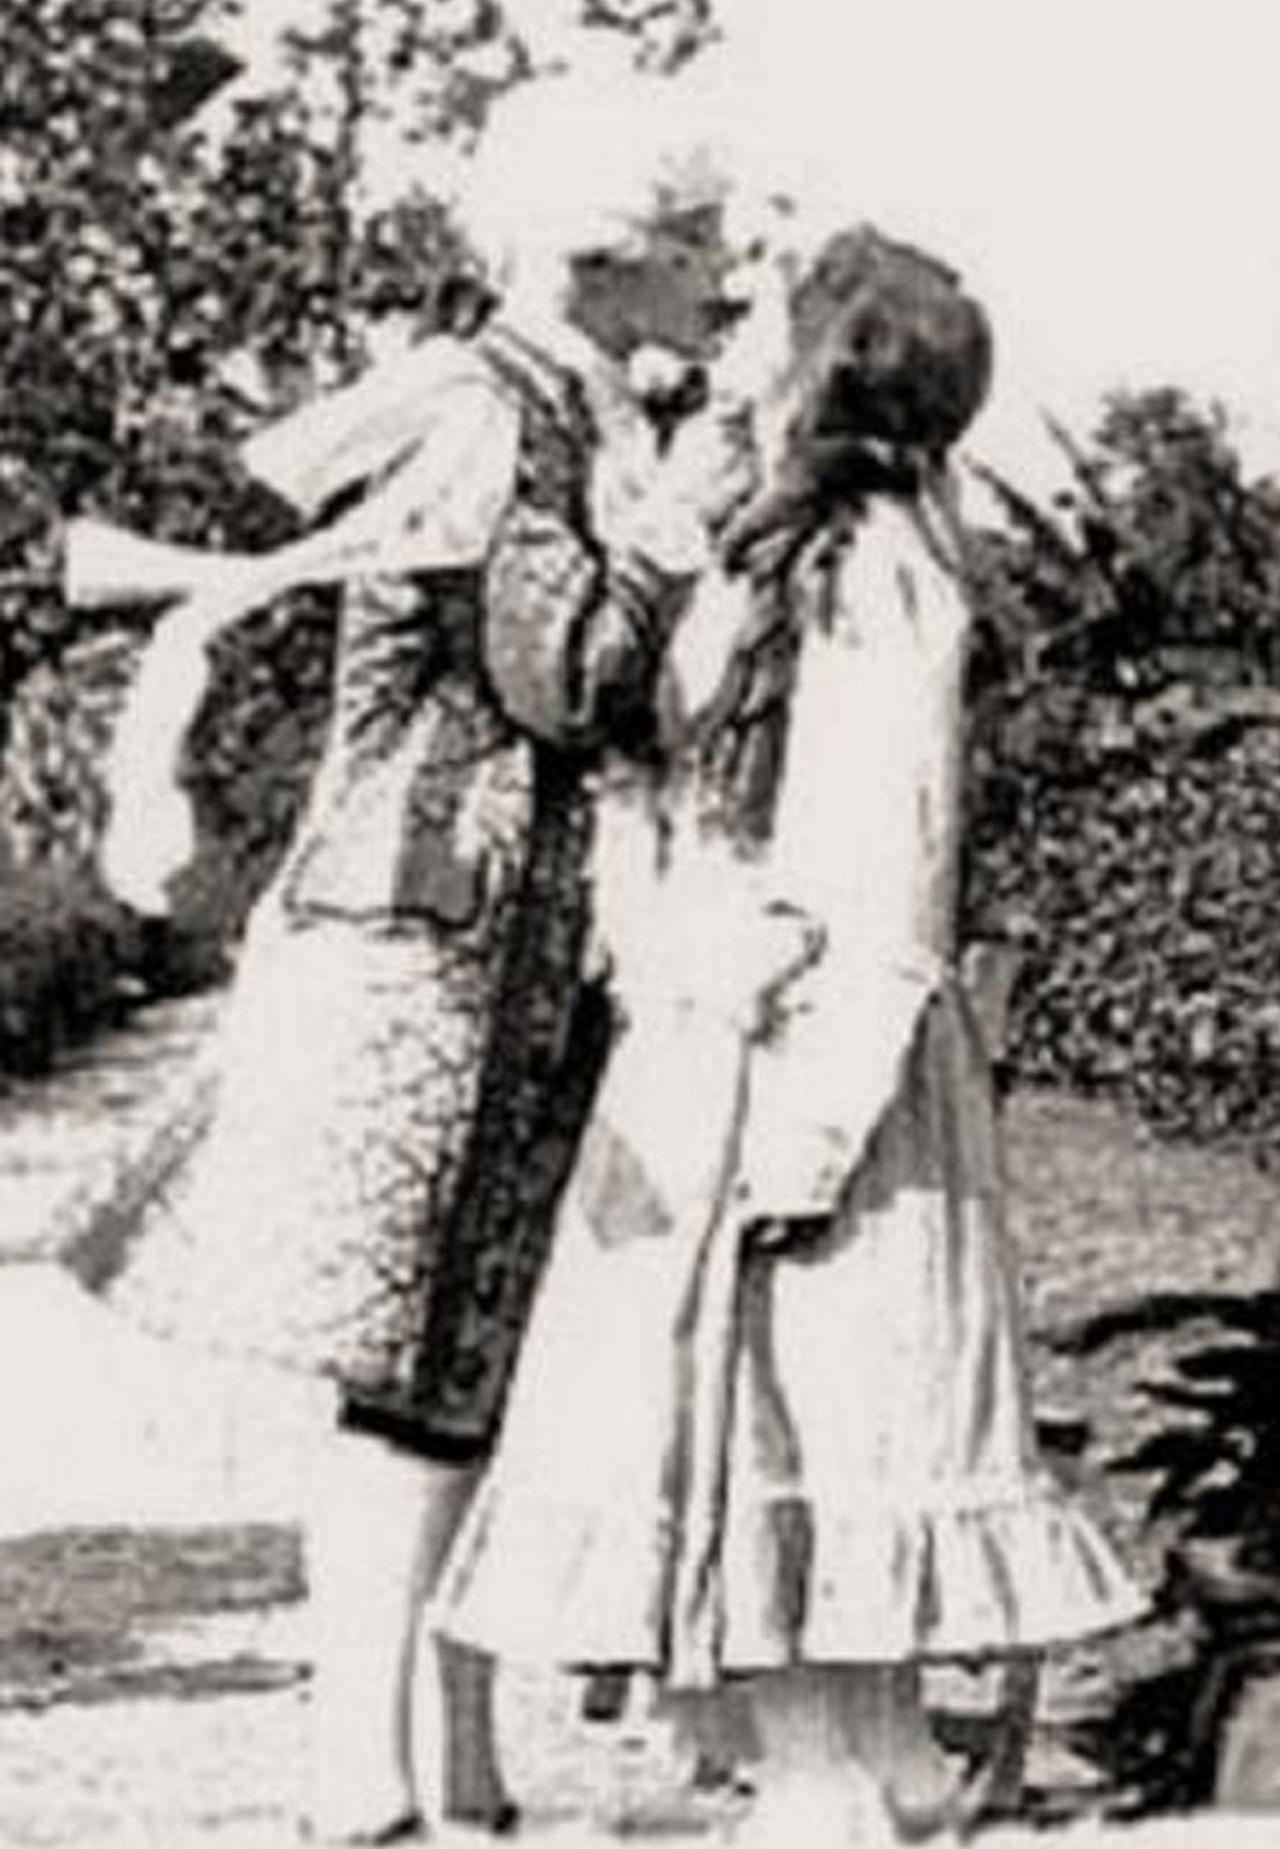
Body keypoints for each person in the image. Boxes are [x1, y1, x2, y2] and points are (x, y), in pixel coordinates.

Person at [61, 84, 758, 1846]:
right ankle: (358, 1774)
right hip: (436, 935)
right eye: (695, 241)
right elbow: (563, 680)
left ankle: (442, 1758)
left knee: (467, 1350)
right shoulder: (495, 410)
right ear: (608, 256)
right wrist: (681, 522)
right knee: (421, 1352)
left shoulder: (549, 400)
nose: (723, 273)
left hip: (484, 929)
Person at [433, 223, 1147, 1844]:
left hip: (824, 1057)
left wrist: (815, 1124)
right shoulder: (785, 554)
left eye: (776, 329)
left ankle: (838, 1771)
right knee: (751, 1413)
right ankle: (855, 1759)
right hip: (726, 1028)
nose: (736, 344)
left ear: (827, 372)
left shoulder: (880, 571)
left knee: (825, 1409)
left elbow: (892, 868)